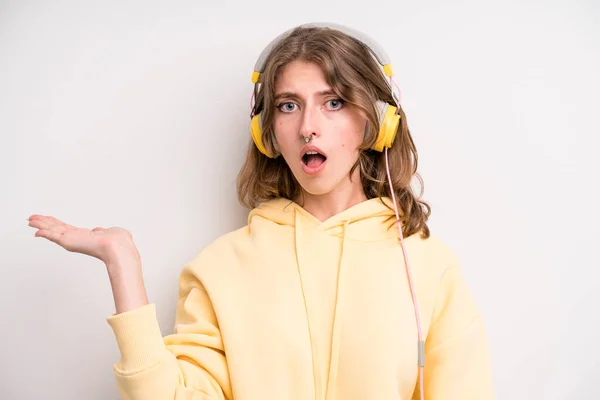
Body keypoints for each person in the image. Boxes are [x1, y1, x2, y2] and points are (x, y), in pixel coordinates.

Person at [27, 22, 494, 400]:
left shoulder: (429, 268)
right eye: (288, 106)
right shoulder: (221, 267)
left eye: (333, 102)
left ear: (377, 120)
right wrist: (121, 263)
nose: (308, 128)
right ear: (266, 130)